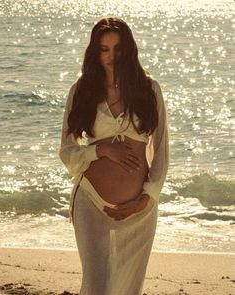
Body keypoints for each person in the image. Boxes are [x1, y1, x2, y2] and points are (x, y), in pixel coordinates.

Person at [59, 16, 169, 295]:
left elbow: (162, 150)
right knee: (95, 286)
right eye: (104, 49)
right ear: (94, 52)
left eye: (118, 49)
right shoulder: (81, 90)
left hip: (139, 210)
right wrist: (101, 149)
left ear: (128, 50)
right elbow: (67, 150)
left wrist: (147, 197)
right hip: (91, 202)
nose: (111, 56)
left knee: (128, 288)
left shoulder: (149, 89)